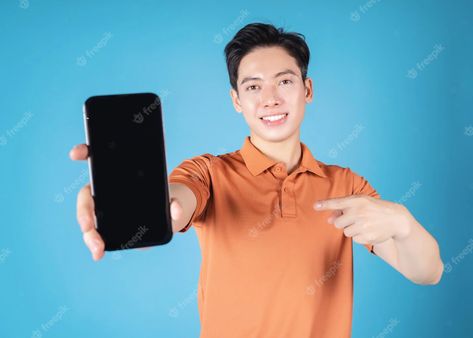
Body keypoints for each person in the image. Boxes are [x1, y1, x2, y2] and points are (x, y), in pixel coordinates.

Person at [69, 23, 444, 338]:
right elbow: (176, 204)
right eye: (252, 87)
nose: (270, 99)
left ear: (307, 90)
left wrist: (402, 222)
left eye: (284, 82)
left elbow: (428, 272)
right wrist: (141, 202)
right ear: (236, 100)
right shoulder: (209, 173)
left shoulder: (345, 186)